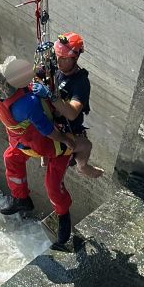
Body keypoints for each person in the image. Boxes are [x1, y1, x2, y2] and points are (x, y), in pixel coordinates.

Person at [0, 55, 76, 250]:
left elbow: (49, 130)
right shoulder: (11, 96)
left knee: (52, 186)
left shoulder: (27, 103)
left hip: (55, 146)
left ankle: (63, 226)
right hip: (28, 145)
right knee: (10, 158)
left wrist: (66, 141)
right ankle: (22, 199)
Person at [48, 33, 104, 178]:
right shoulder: (56, 70)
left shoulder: (81, 83)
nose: (59, 61)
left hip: (67, 130)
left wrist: (53, 97)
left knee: (86, 146)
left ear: (75, 58)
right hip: (50, 124)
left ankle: (82, 167)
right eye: (58, 56)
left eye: (64, 58)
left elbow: (72, 113)